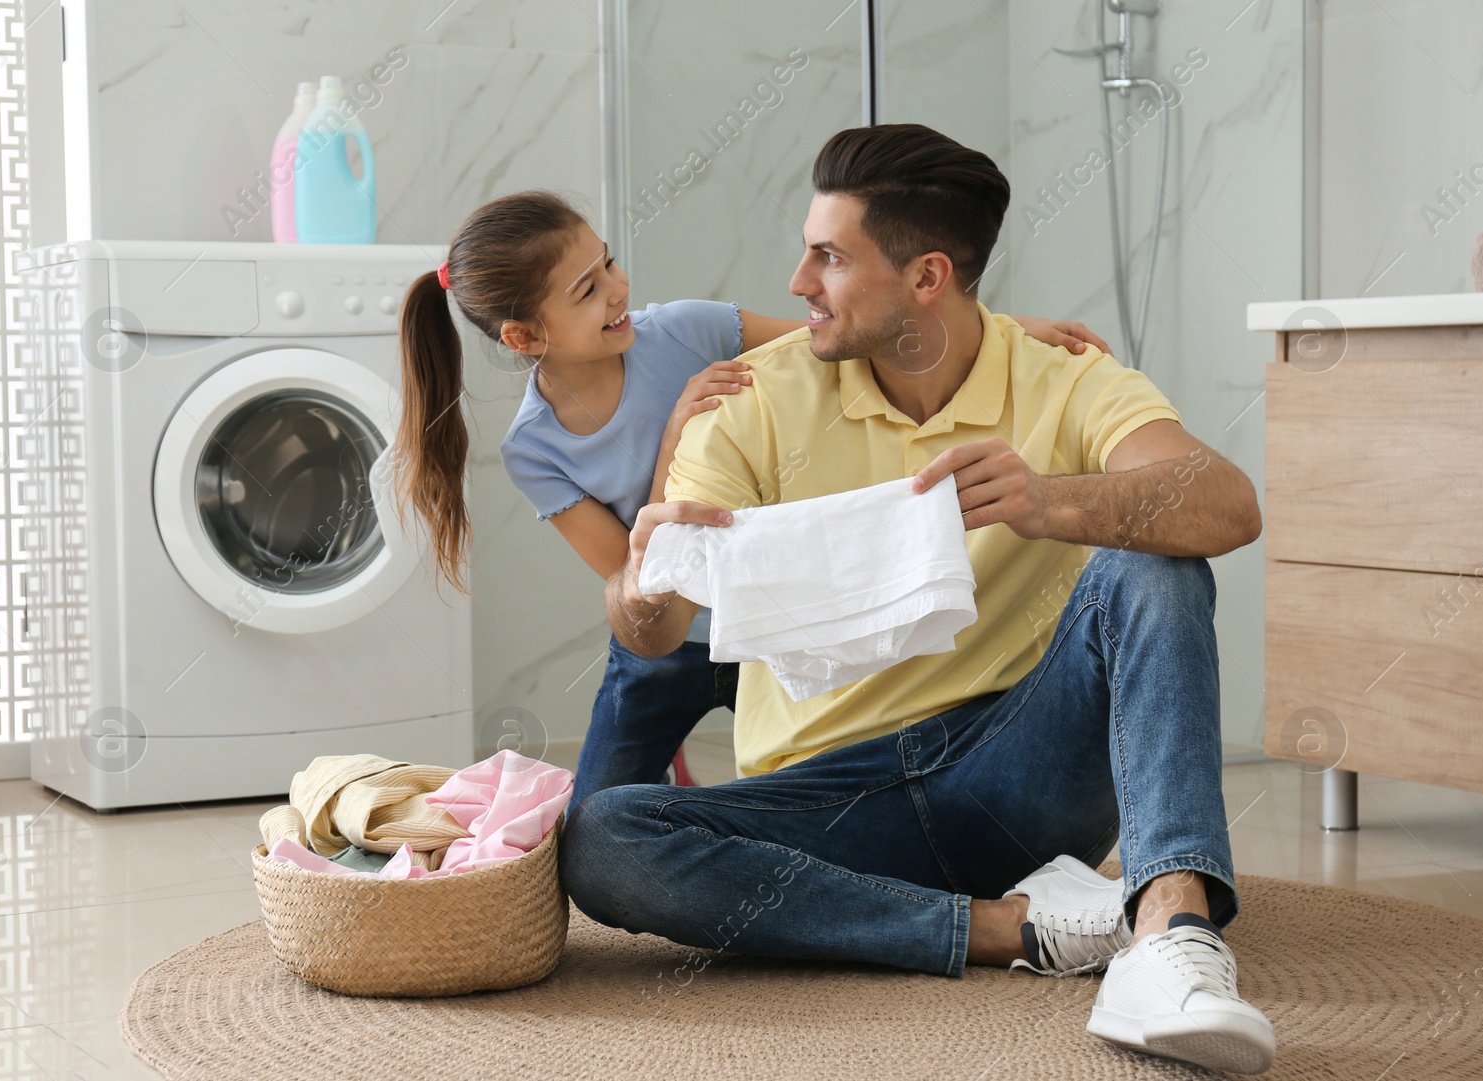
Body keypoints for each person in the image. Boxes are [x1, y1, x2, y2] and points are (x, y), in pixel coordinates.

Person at [559, 127, 1277, 1075]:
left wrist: (1046, 499)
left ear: (927, 276)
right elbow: (652, 633)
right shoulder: (750, 400)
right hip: (828, 803)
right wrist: (644, 580)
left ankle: (1171, 935)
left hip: (1014, 773)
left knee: (1156, 567)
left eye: (828, 256)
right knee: (605, 839)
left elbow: (1227, 502)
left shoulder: (1065, 378)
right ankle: (1010, 929)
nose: (796, 281)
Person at [392, 189, 1119, 814]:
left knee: (828, 798)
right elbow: (632, 568)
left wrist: (1005, 332)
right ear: (524, 336)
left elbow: (836, 340)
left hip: (771, 618)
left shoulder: (681, 328)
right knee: (590, 825)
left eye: (607, 261)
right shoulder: (535, 447)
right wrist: (677, 430)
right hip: (666, 650)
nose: (617, 288)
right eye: (585, 290)